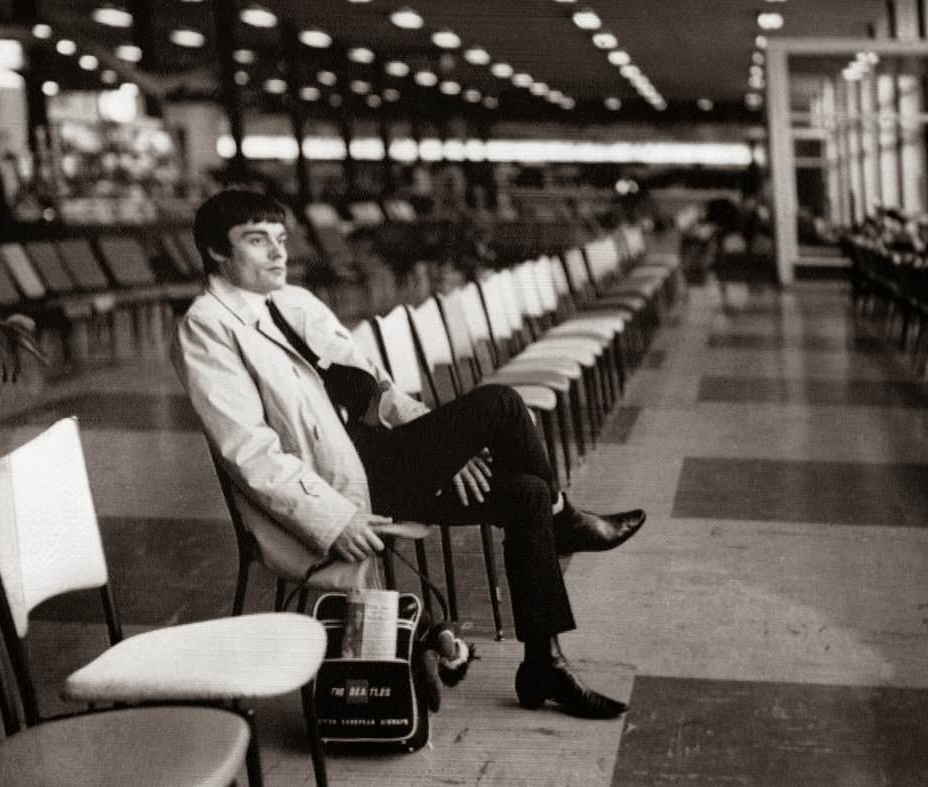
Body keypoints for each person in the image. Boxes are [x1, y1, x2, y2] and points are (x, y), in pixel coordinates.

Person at [171, 189, 647, 719]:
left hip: (382, 459)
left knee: (528, 494)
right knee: (503, 403)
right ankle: (569, 522)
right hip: (342, 490)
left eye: (281, 240)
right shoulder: (205, 327)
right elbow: (248, 452)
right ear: (216, 251)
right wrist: (335, 518)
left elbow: (379, 389)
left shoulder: (295, 302)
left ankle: (544, 663)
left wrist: (450, 449)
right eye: (257, 241)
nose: (278, 253)